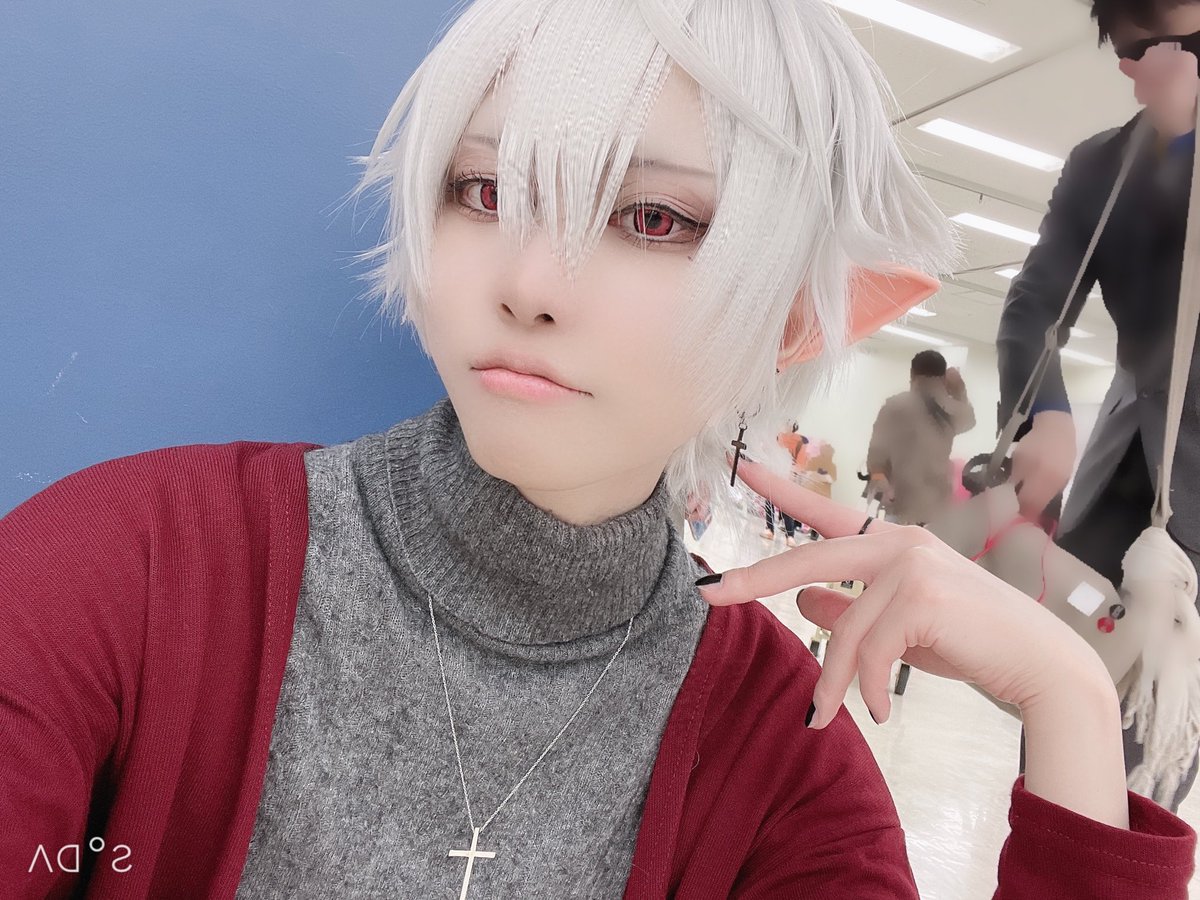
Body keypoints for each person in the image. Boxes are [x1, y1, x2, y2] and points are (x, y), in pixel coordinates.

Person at [0, 1, 1194, 897]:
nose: (528, 281)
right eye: (484, 190)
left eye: (651, 218)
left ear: (787, 318)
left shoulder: (784, 760)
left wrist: (1071, 700)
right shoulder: (136, 567)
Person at [996, 0, 1200, 810]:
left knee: (1152, 766)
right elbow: (1034, 304)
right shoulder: (1103, 168)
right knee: (1060, 723)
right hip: (1113, 497)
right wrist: (1046, 413)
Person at [866, 350, 976, 526]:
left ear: (912, 374)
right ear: (943, 378)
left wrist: (879, 478)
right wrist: (959, 391)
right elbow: (969, 420)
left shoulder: (895, 406)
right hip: (936, 508)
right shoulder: (951, 409)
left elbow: (877, 451)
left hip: (902, 504)